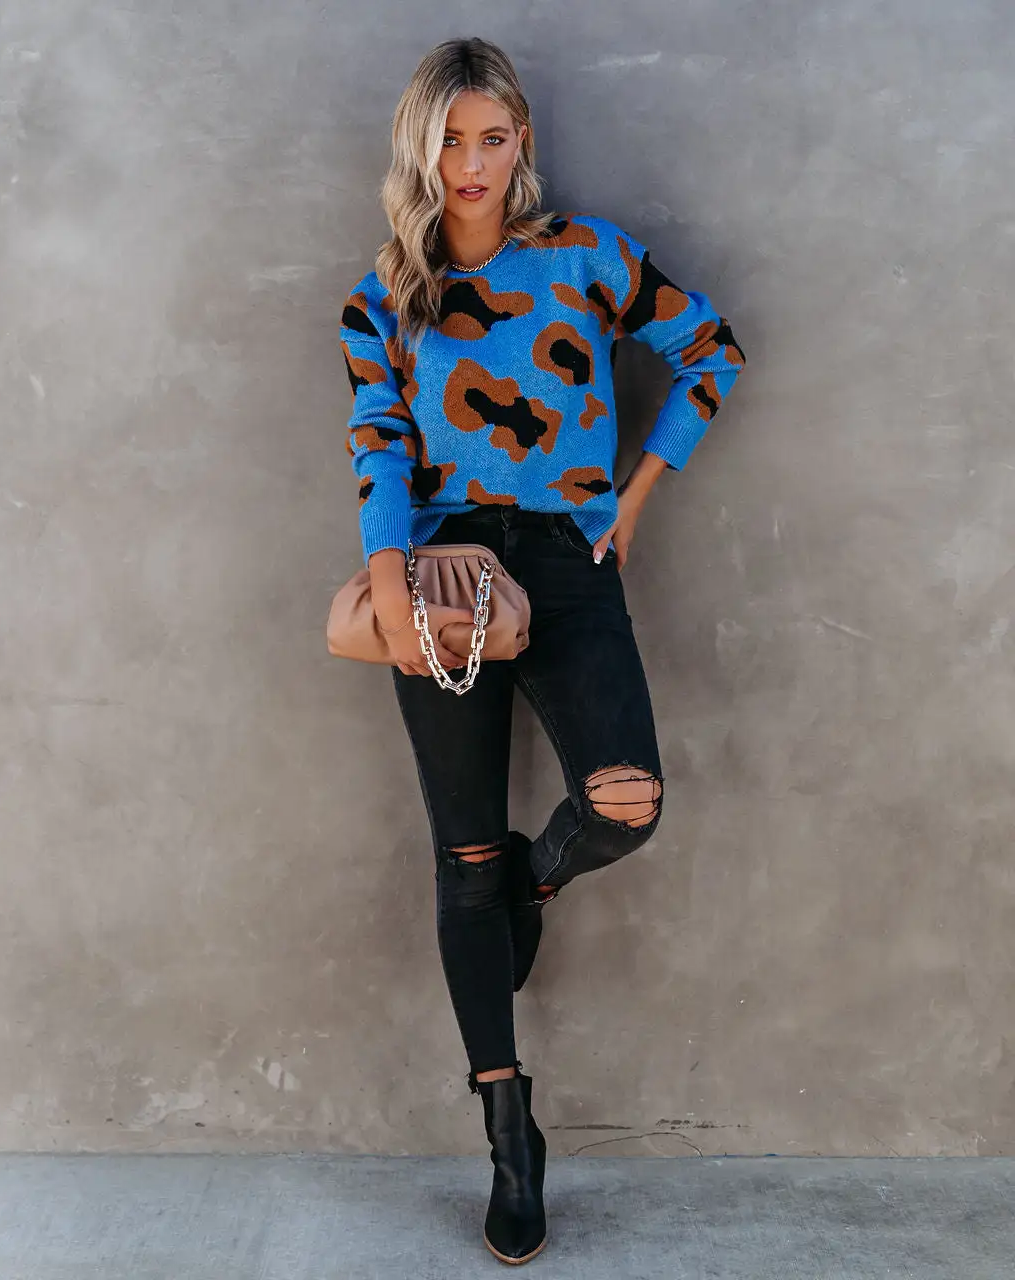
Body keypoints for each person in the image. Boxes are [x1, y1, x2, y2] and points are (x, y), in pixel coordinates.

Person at [337, 35, 746, 1265]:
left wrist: (636, 493)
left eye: (492, 137)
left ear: (521, 141)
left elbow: (712, 349)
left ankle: (542, 875)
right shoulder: (383, 295)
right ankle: (510, 1132)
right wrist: (394, 594)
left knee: (627, 799)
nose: (471, 164)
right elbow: (377, 450)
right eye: (449, 141)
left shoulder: (586, 257)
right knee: (461, 855)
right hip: (440, 569)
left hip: (568, 563)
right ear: (420, 150)